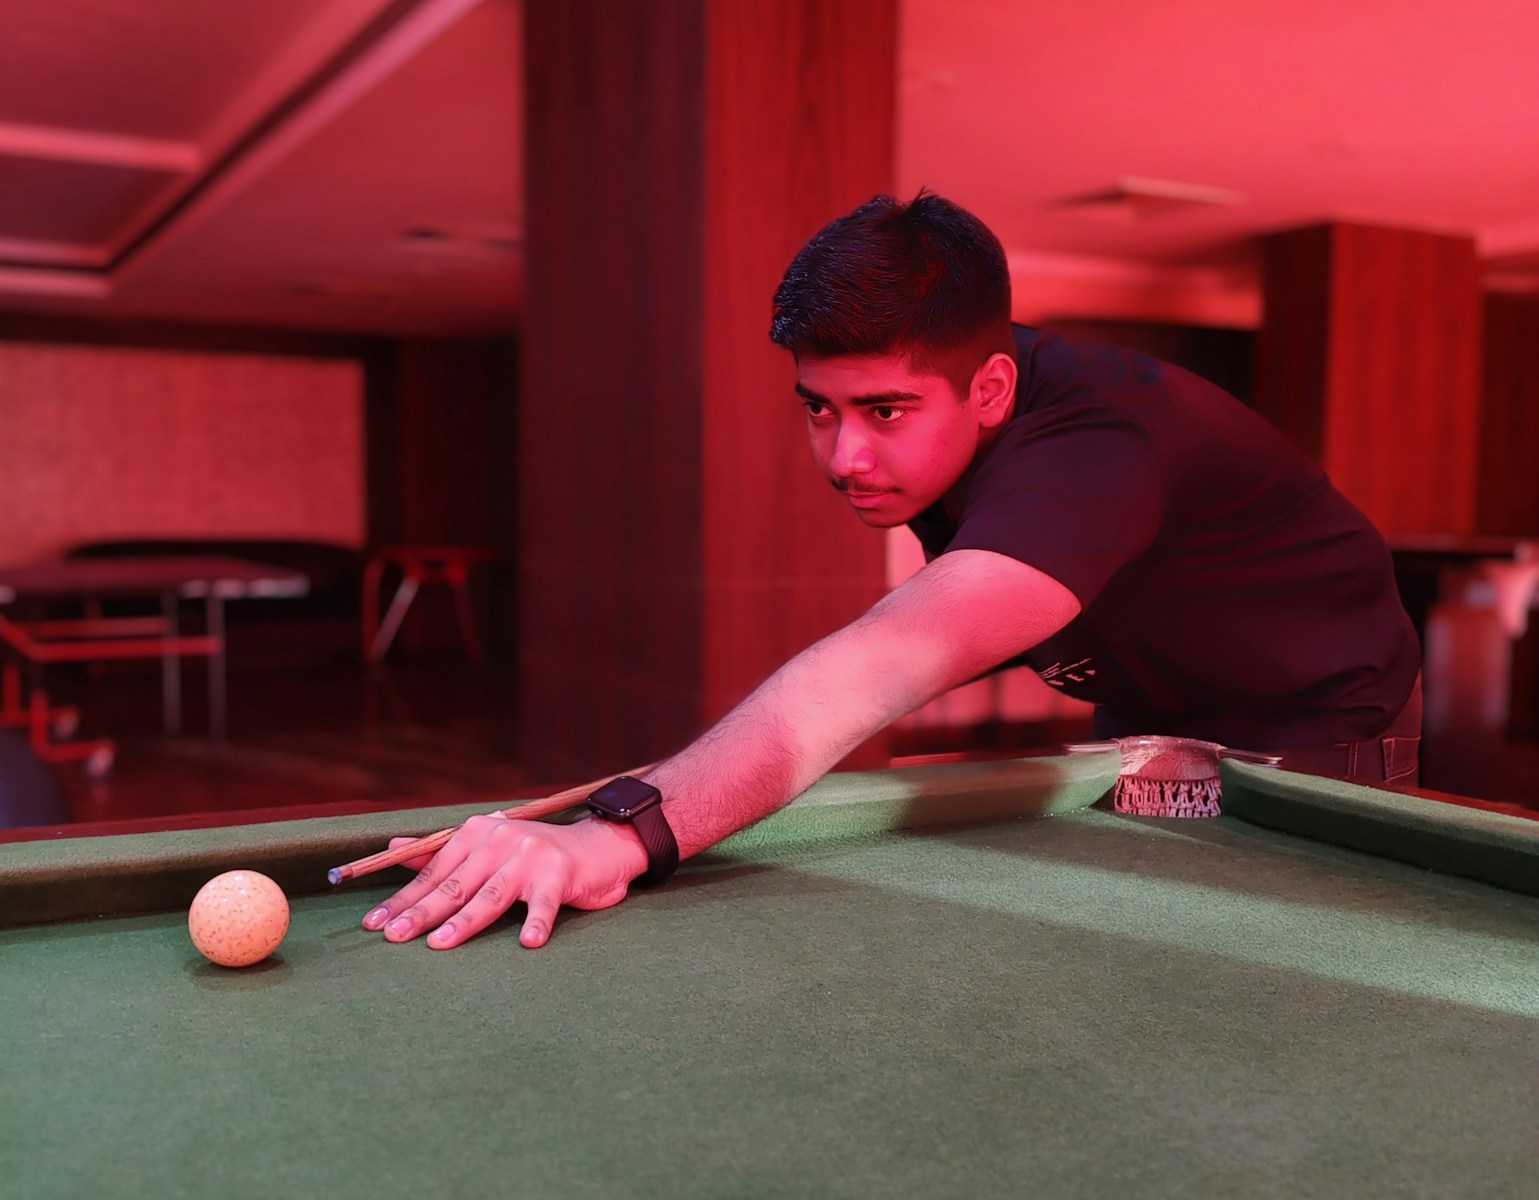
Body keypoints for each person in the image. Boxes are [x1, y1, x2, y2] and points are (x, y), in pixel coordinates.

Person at [362, 192, 1422, 952]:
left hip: (1318, 720)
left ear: (992, 387)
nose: (842, 455)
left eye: (883, 411)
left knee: (1280, 971)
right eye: (818, 407)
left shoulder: (1102, 449)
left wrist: (622, 832)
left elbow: (876, 669)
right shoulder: (959, 422)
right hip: (1150, 710)